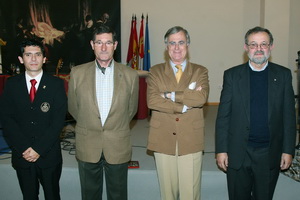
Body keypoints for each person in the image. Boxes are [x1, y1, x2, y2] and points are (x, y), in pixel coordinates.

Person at [215, 26, 296, 200]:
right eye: (253, 44)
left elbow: (289, 117)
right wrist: (221, 150)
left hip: (269, 153)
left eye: (263, 44)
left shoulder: (283, 75)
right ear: (246, 48)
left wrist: (288, 150)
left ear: (271, 47)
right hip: (238, 153)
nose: (258, 49)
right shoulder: (232, 75)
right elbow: (223, 117)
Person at [68, 25, 139, 200]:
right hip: (87, 144)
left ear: (115, 45)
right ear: (92, 44)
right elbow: (73, 108)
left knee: (118, 195)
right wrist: (90, 123)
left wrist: (113, 126)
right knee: (89, 195)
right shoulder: (77, 73)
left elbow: (131, 110)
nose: (104, 47)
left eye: (108, 42)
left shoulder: (130, 75)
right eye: (99, 42)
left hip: (117, 144)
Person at [147, 26, 209, 200]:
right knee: (168, 194)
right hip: (162, 137)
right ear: (166, 47)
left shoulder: (200, 71)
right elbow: (152, 101)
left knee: (190, 193)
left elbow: (201, 98)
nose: (176, 47)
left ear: (187, 45)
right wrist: (181, 105)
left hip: (190, 138)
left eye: (181, 42)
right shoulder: (155, 71)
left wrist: (168, 95)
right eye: (172, 43)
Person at [0, 39, 67, 200]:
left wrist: (38, 149)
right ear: (21, 59)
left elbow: (58, 122)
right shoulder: (11, 84)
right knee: (29, 196)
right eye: (28, 55)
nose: (33, 59)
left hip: (48, 156)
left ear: (44, 58)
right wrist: (24, 148)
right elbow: (7, 120)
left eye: (38, 54)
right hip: (22, 156)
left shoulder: (56, 84)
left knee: (52, 196)